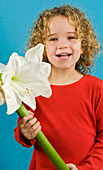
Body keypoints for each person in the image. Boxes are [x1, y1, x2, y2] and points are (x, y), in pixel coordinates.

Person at [14, 5, 103, 170]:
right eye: (53, 39)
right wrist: (24, 133)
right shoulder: (31, 88)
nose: (62, 45)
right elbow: (24, 132)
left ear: (83, 45)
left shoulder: (97, 88)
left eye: (71, 37)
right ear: (42, 47)